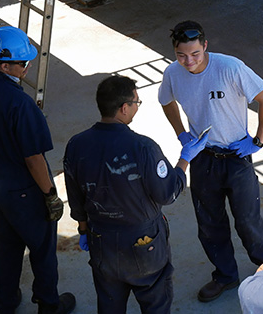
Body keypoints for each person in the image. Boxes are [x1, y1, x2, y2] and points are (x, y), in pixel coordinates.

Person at [63, 75, 209, 313]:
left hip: (101, 240)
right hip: (143, 244)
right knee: (155, 303)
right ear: (123, 108)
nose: (137, 108)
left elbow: (75, 196)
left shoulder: (76, 145)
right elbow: (168, 193)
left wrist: (83, 229)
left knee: (110, 303)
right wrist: (185, 159)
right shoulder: (143, 147)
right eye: (136, 103)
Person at [158, 20, 263, 302]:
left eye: (195, 54)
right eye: (182, 55)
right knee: (210, 223)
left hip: (236, 157)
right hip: (203, 157)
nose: (189, 61)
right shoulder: (173, 73)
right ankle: (225, 274)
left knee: (248, 220)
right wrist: (182, 134)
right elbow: (165, 101)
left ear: (206, 46)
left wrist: (257, 140)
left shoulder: (230, 68)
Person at [0, 25, 75, 314]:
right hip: (21, 191)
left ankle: (5, 301)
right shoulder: (21, 104)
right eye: (22, 63)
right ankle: (49, 305)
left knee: (5, 244)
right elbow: (34, 158)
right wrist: (50, 194)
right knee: (43, 248)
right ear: (4, 64)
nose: (27, 67)